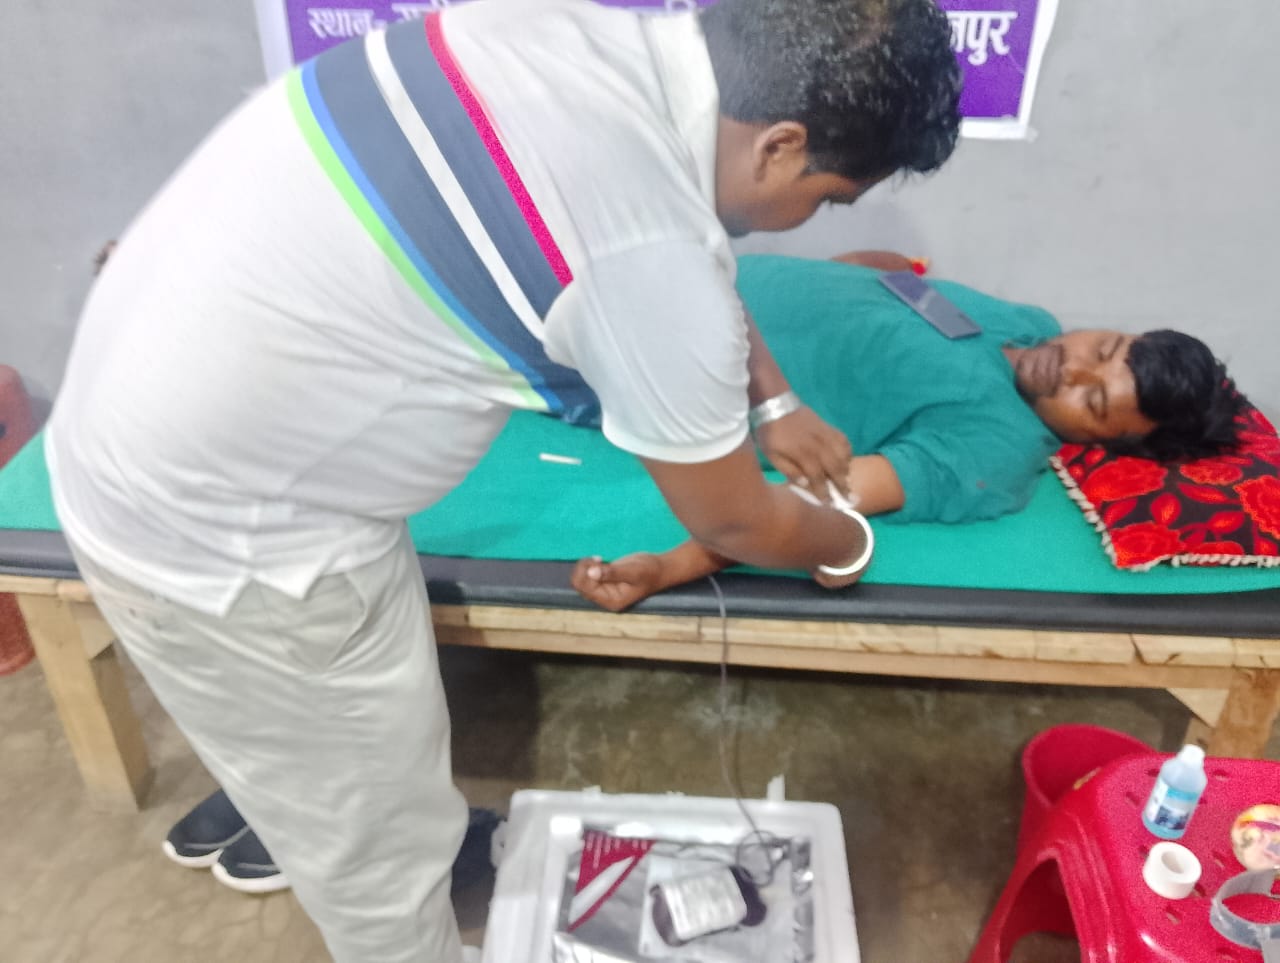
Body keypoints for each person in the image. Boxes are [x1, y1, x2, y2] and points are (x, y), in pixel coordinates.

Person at [46, 1, 962, 959]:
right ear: (780, 146)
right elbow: (737, 521)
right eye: (828, 198)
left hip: (165, 428)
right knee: (377, 875)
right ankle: (379, 878)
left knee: (385, 755)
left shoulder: (563, 32)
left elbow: (682, 238)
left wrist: (774, 400)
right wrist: (844, 540)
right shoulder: (646, 264)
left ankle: (374, 823)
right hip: (234, 544)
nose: (810, 220)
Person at [571, 252, 1244, 612]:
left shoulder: (996, 452)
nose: (1070, 367)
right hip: (678, 274)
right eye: (1103, 348)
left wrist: (671, 567)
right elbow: (899, 288)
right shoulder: (1029, 321)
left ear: (1101, 443)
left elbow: (828, 499)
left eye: (1091, 402)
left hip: (636, 360)